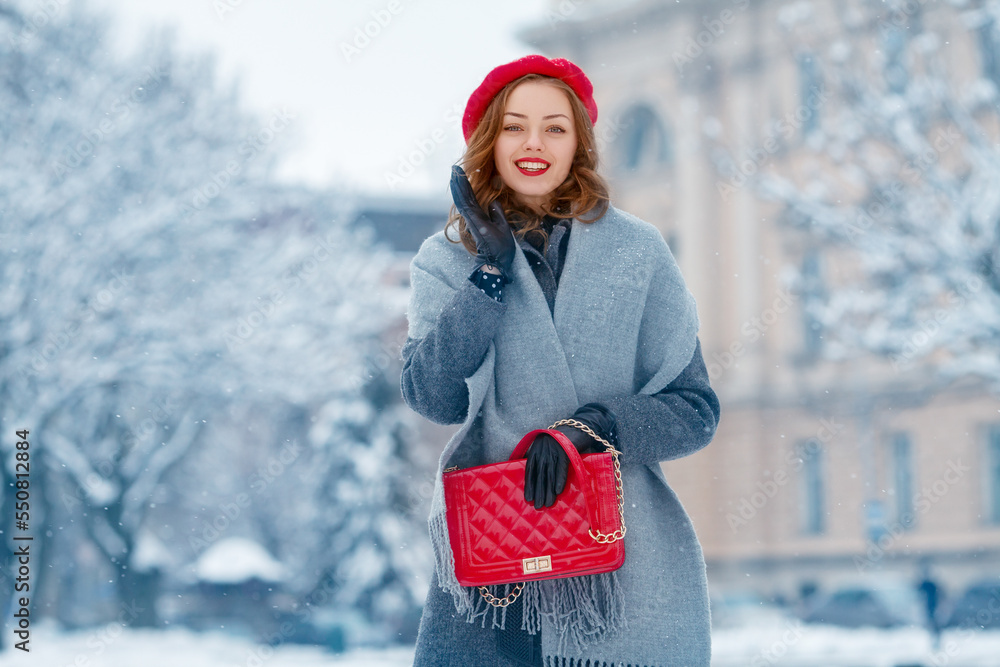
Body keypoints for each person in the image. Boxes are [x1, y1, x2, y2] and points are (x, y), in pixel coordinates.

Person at [400, 54, 721, 666]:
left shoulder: (637, 252)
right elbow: (431, 395)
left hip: (618, 559)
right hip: (493, 569)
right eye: (515, 126)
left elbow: (695, 410)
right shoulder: (447, 260)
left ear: (579, 142)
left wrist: (594, 429)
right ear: (489, 141)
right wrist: (489, 276)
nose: (534, 144)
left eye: (555, 127)